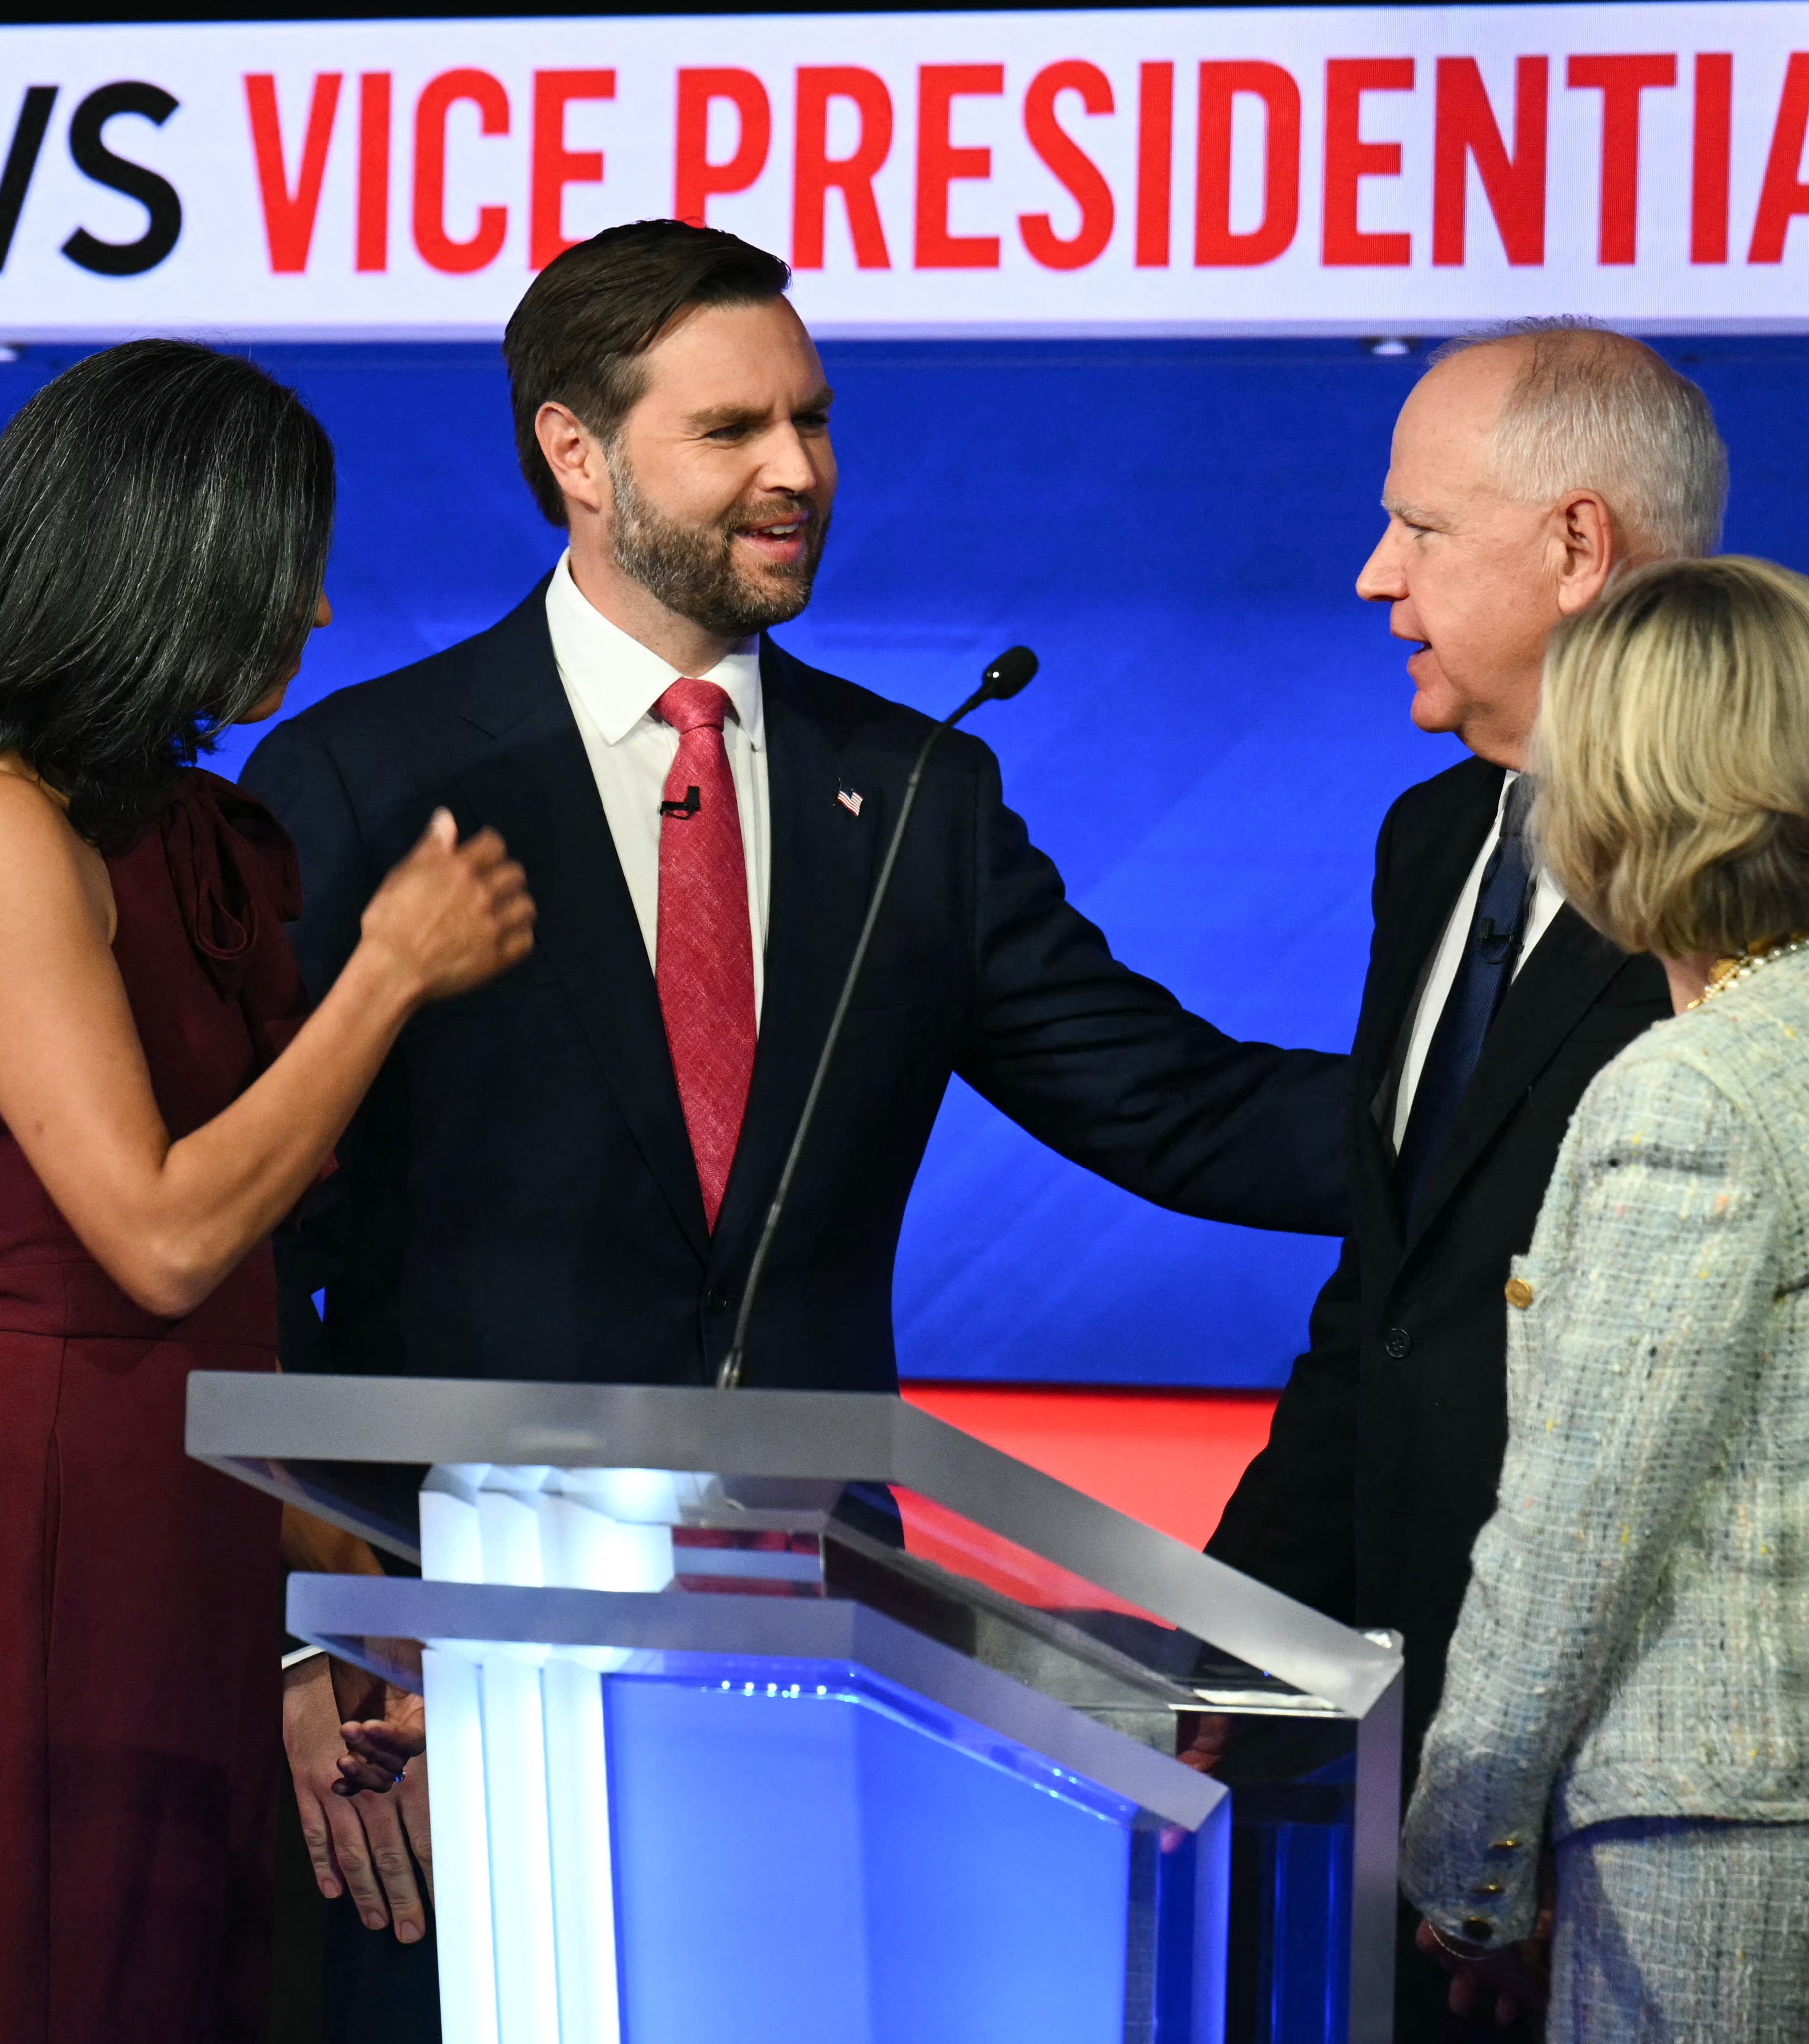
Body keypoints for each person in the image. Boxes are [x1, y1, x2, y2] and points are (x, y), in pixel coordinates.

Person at [237, 220, 1349, 2029]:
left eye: (815, 422)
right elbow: (269, 1236)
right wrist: (320, 1621)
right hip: (462, 1684)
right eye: (734, 430)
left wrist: (1524, 1118)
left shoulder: (912, 793)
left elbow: (1183, 1109)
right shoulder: (372, 776)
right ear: (575, 457)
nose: (798, 474)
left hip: (823, 1662)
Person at [1199, 321, 1809, 2038]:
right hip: (1512, 1766)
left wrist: (1482, 1842)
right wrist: (1250, 1643)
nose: (1377, 577)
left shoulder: (1785, 988)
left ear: (1578, 549)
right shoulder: (1442, 846)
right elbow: (1395, 1303)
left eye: (1422, 530)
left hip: (1667, 1814)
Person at [0, 340, 534, 2044]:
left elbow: (248, 1277)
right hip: (69, 1530)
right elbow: (162, 1238)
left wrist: (315, 1601)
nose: (317, 613)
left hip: (205, 1523)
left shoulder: (190, 831)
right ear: (167, 556)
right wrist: (387, 972)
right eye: (285, 561)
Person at [1399, 554, 1809, 2040]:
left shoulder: (1695, 1092)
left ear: (1629, 791)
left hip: (1721, 1852)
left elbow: (1577, 1534)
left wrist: (1462, 1866)